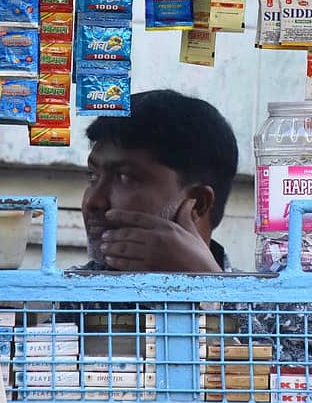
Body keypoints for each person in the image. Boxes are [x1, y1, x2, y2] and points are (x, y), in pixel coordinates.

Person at [80, 88, 239, 272]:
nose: (93, 201)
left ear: (198, 204)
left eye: (125, 177)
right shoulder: (60, 295)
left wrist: (209, 285)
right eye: (92, 176)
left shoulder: (267, 298)